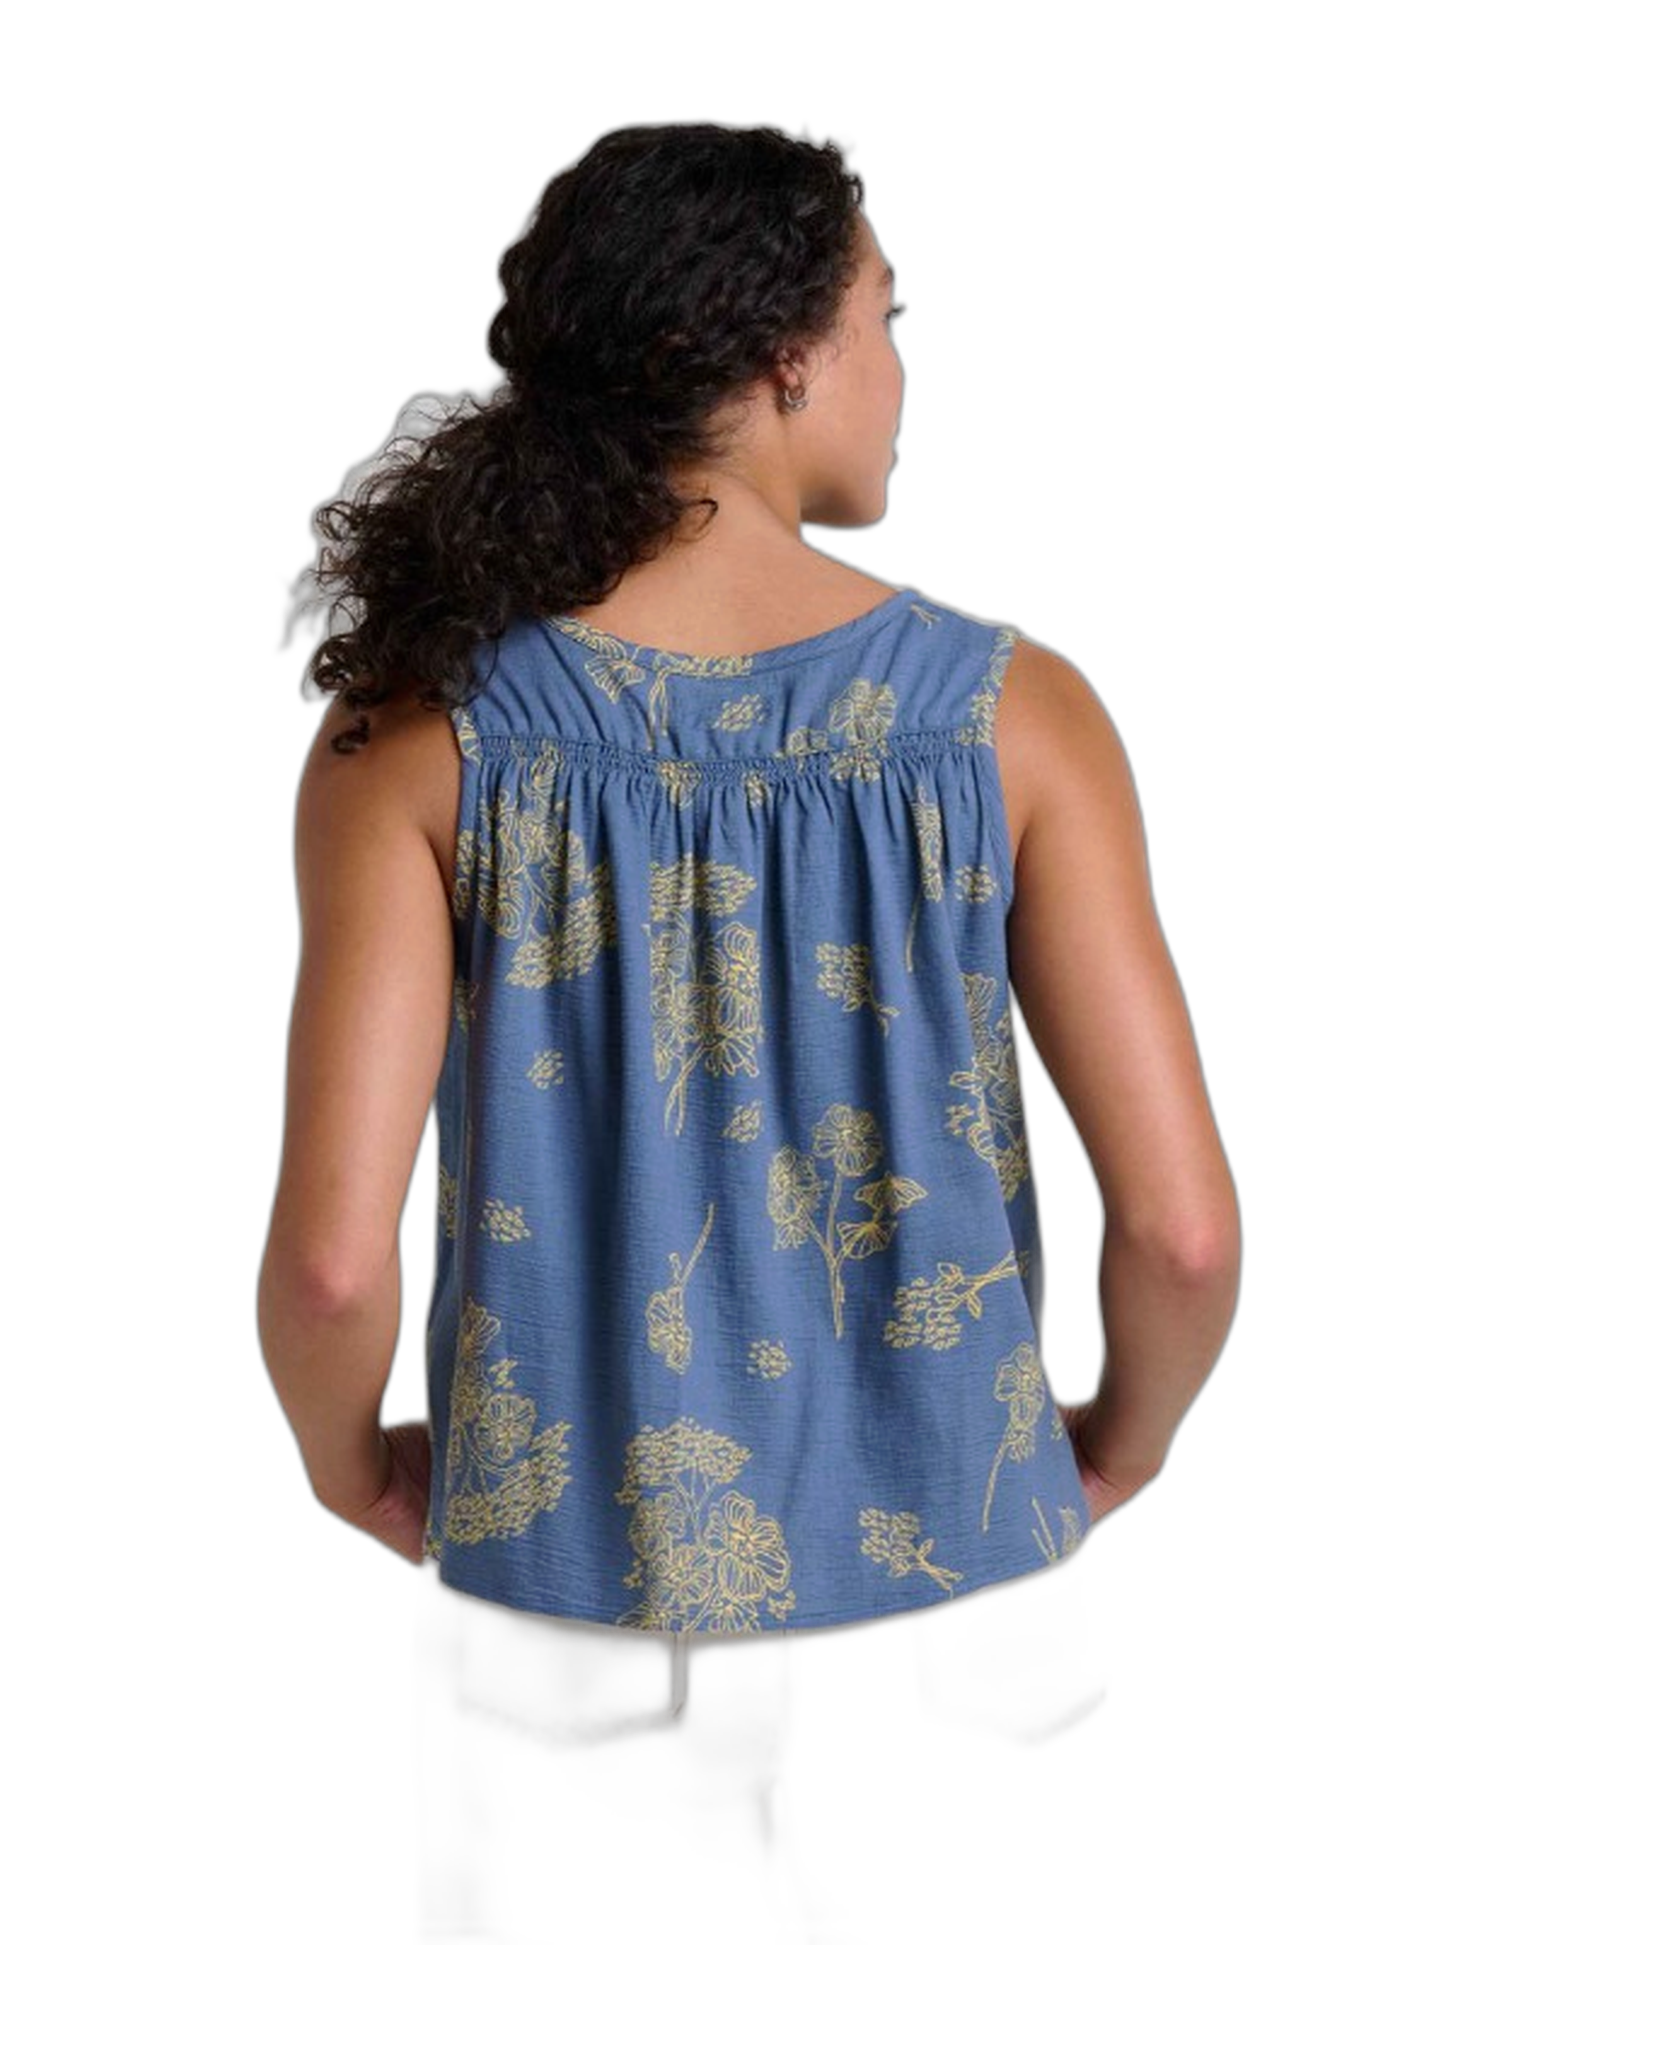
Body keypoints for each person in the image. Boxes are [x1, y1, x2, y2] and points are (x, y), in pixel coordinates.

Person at [257, 123, 1240, 1731]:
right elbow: (1185, 1235)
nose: (897, 365)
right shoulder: (1018, 715)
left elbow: (325, 1269)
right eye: (884, 316)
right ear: (791, 357)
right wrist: (1118, 1451)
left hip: (557, 1618)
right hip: (970, 1609)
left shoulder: (414, 730)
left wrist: (351, 1471)